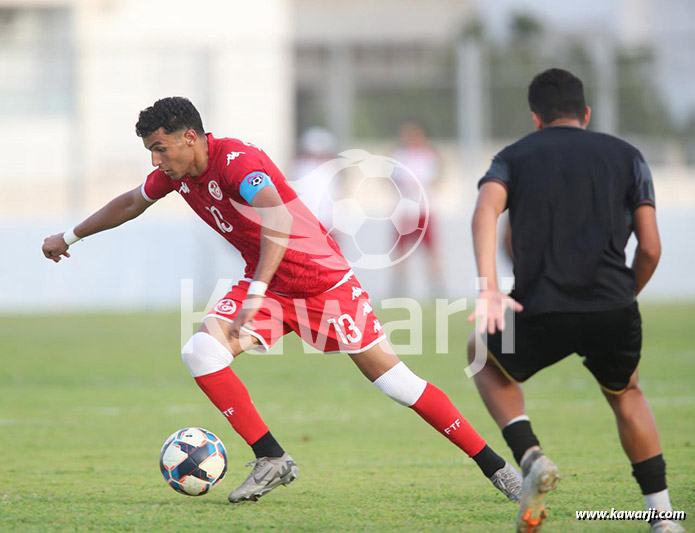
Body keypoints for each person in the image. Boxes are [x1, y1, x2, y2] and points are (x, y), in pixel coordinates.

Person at [42, 97, 521, 504]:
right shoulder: (178, 174)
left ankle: (497, 468)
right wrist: (70, 235)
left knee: (396, 383)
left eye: (159, 149)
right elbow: (131, 201)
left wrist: (254, 292)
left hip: (323, 284)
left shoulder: (236, 162)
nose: (155, 162)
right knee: (201, 352)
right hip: (269, 287)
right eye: (150, 152)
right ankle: (271, 457)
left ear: (189, 137)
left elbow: (279, 221)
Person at [467, 69, 683, 533]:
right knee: (627, 394)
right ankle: (663, 517)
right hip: (612, 305)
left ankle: (530, 456)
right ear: (586, 113)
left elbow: (486, 211)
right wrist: (625, 294)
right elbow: (650, 248)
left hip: (539, 307)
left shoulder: (514, 157)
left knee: (481, 355)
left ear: (536, 118)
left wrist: (489, 286)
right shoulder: (628, 156)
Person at [390, 121, 444, 297]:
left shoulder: (428, 155)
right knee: (400, 251)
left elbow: (434, 179)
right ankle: (399, 287)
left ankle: (435, 287)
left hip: (423, 209)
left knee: (430, 250)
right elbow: (394, 180)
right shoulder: (399, 155)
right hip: (405, 211)